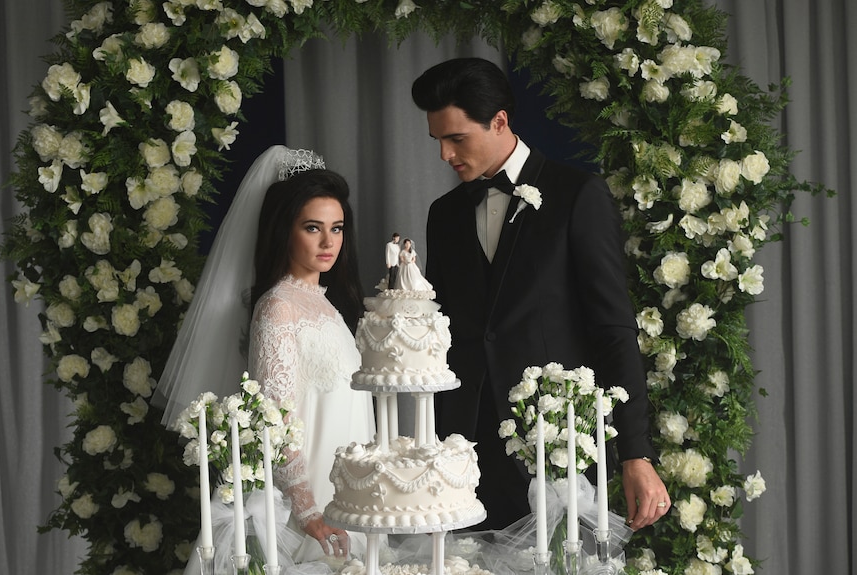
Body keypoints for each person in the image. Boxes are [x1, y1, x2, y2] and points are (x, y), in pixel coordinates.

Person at [411, 58, 670, 531]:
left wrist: (636, 454)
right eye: (438, 141)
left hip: (556, 448)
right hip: (461, 453)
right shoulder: (443, 214)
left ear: (500, 121)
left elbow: (613, 328)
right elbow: (441, 329)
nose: (445, 155)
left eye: (457, 138)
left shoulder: (578, 195)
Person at [152, 146, 374, 569]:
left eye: (338, 228)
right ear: (283, 230)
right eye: (313, 228)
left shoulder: (326, 305)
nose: (329, 242)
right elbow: (277, 421)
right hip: (308, 513)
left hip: (346, 497)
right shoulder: (278, 307)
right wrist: (309, 513)